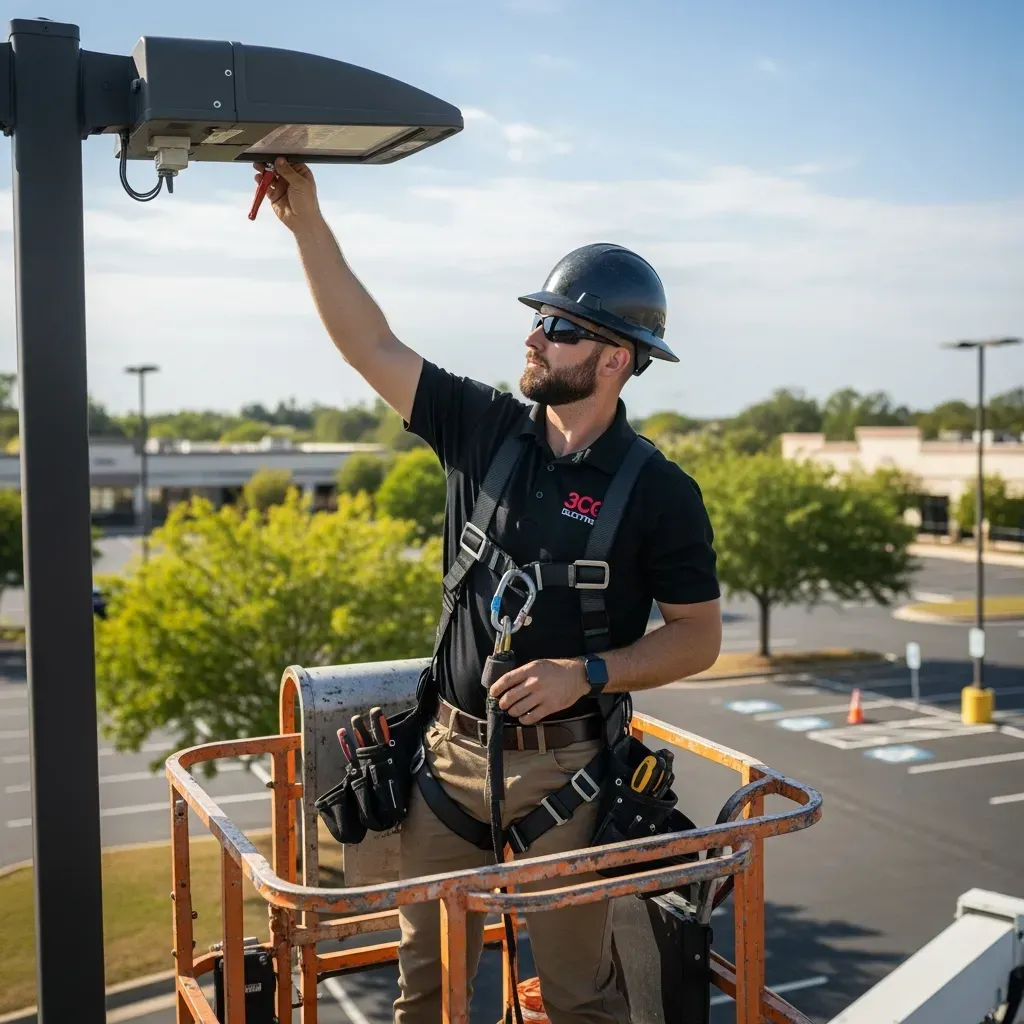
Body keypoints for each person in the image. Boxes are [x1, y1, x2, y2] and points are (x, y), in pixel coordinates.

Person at [263, 157, 723, 1024]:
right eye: (541, 320)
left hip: (570, 771)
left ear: (616, 359)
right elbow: (373, 345)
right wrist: (307, 225)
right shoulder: (482, 428)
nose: (535, 337)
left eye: (561, 327)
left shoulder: (660, 491)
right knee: (427, 989)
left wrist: (586, 674)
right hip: (448, 758)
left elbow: (697, 637)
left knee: (581, 996)